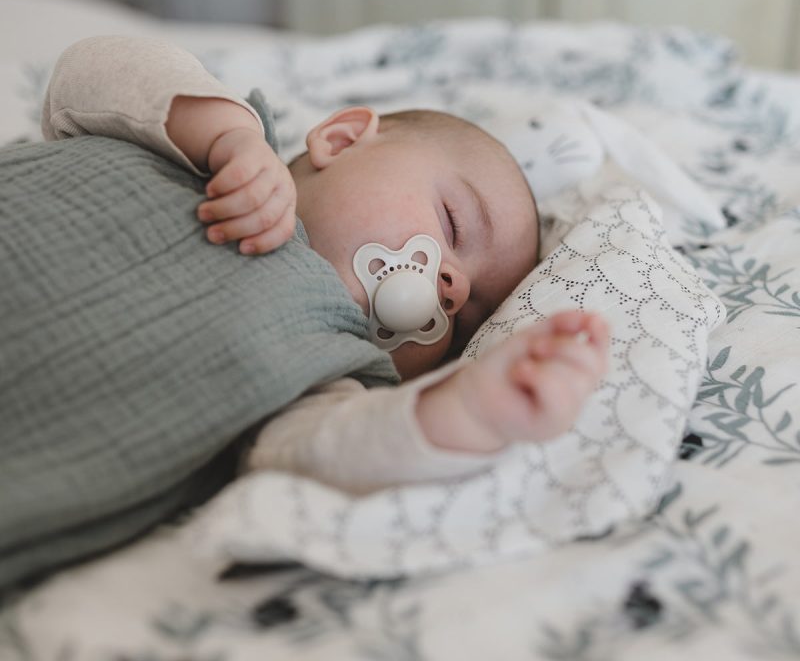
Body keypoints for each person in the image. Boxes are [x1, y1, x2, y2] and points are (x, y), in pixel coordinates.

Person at [0, 36, 608, 590]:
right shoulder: (193, 155)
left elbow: (336, 454)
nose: (452, 286)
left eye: (468, 320)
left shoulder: (324, 376)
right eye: (452, 223)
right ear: (341, 141)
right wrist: (225, 134)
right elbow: (86, 74)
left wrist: (469, 406)